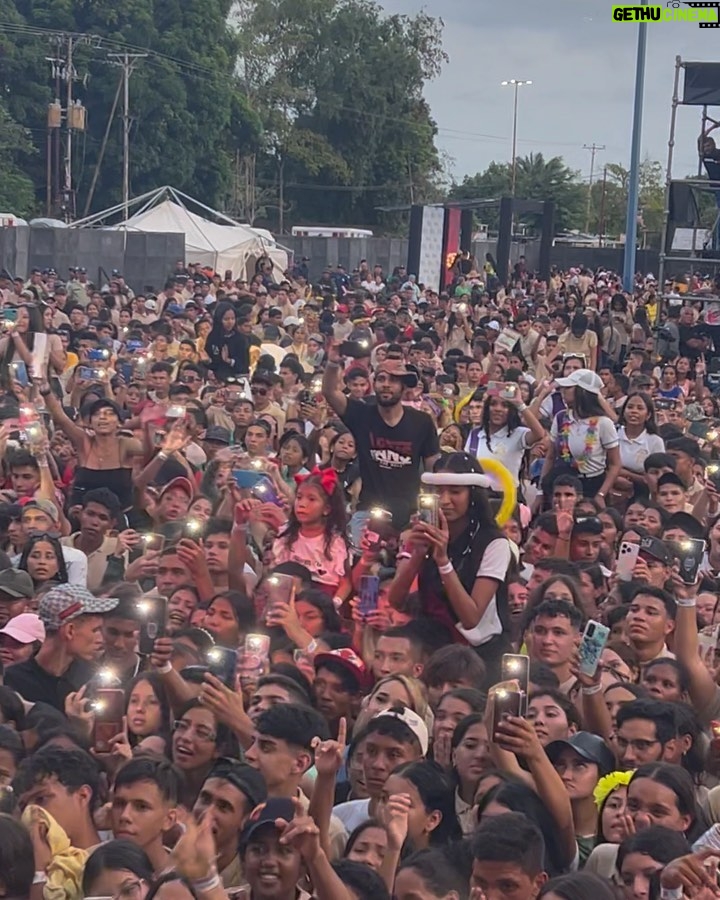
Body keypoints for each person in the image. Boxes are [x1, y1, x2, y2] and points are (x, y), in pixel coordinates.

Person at [388, 453, 513, 679]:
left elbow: (471, 618)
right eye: (438, 492)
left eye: (455, 492)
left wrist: (443, 560)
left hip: (479, 656)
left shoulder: (495, 543)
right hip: (433, 648)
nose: (445, 500)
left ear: (472, 495)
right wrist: (417, 553)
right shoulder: (420, 532)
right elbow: (395, 600)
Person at [5, 584, 117, 710]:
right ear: (70, 631)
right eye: (95, 630)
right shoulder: (12, 681)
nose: (101, 639)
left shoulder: (93, 679)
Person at [542, 368, 621, 501]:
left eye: (568, 387)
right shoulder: (561, 418)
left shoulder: (603, 423)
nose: (563, 391)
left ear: (582, 392)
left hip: (592, 485)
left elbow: (615, 464)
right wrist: (541, 491)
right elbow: (550, 457)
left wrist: (601, 495)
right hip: (564, 485)